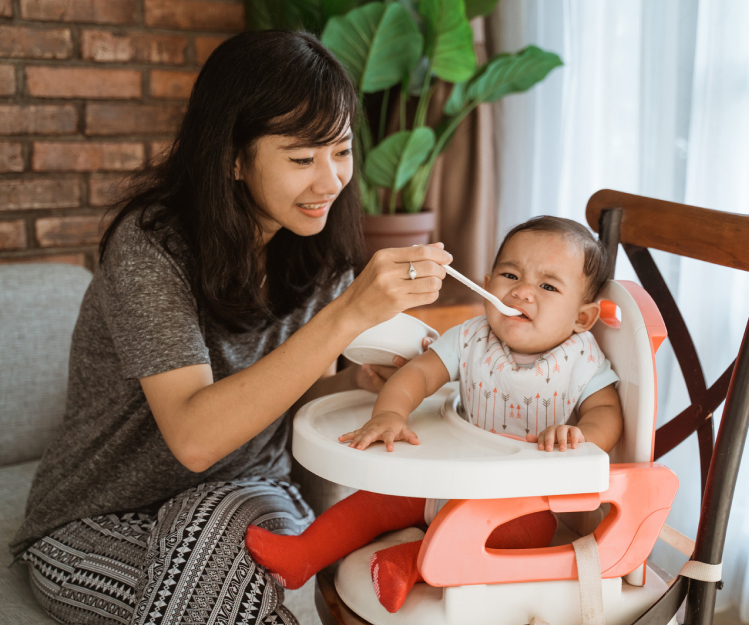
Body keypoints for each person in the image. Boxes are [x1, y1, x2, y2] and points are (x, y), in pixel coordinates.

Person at [9, 30, 452, 625]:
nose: (330, 181)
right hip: (95, 520)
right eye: (301, 159)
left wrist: (359, 383)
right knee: (230, 601)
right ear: (232, 158)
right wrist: (344, 316)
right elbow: (194, 438)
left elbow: (289, 389)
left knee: (219, 547)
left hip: (248, 494)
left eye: (341, 151)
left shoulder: (314, 247)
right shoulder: (151, 250)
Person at [246, 216, 624, 613]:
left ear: (582, 318)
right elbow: (419, 374)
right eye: (510, 275)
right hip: (449, 477)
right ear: (486, 283)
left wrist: (579, 437)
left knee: (529, 532)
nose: (522, 292)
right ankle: (304, 553)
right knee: (374, 500)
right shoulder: (471, 337)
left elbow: (607, 412)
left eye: (547, 286)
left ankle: (409, 563)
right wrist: (390, 413)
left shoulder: (581, 358)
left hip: (520, 500)